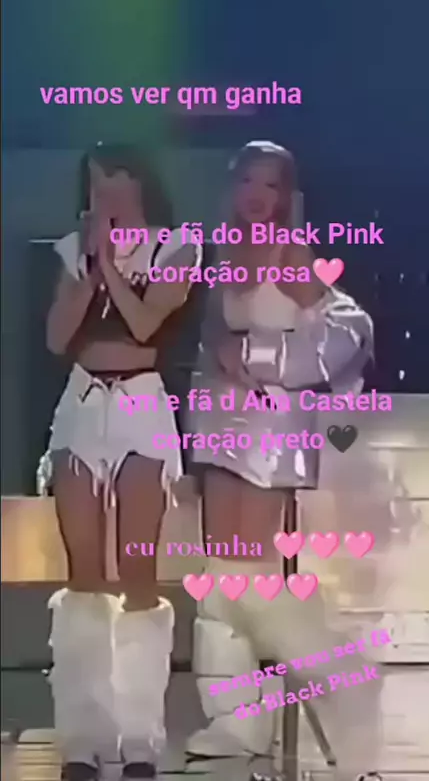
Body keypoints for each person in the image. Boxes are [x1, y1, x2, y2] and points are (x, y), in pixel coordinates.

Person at [185, 141, 382, 779]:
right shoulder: (222, 250)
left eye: (269, 184)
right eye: (248, 180)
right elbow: (212, 335)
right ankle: (236, 721)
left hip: (271, 420)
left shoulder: (292, 252)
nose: (256, 194)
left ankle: (346, 679)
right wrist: (222, 355)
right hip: (222, 417)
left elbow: (348, 327)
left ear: (284, 195)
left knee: (256, 578)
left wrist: (266, 360)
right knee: (222, 575)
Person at [41, 143, 202, 780]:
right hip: (82, 404)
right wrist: (88, 267)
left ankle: (139, 739)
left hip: (141, 406)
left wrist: (110, 263)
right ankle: (83, 740)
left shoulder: (177, 248)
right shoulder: (71, 252)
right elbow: (57, 337)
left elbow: (143, 325)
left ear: (140, 184)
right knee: (83, 574)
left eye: (113, 184)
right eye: (94, 187)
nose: (103, 197)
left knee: (138, 572)